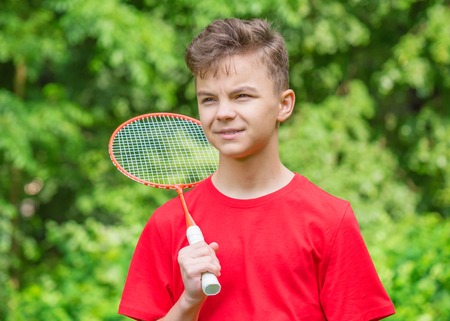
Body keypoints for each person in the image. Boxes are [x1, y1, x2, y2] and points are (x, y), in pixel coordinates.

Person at [118, 18, 395, 321]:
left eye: (242, 96)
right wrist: (189, 300)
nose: (223, 113)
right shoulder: (167, 225)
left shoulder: (330, 220)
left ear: (284, 104)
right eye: (209, 99)